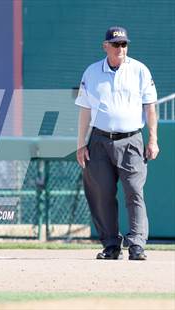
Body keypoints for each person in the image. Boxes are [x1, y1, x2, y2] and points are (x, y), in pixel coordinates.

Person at [75, 26, 159, 260]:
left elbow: (150, 107)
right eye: (116, 44)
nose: (121, 48)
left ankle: (137, 245)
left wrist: (153, 139)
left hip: (131, 140)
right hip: (99, 140)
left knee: (134, 191)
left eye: (124, 44)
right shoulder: (92, 72)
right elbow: (84, 109)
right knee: (101, 193)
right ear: (105, 46)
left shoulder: (139, 70)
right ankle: (111, 245)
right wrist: (81, 143)